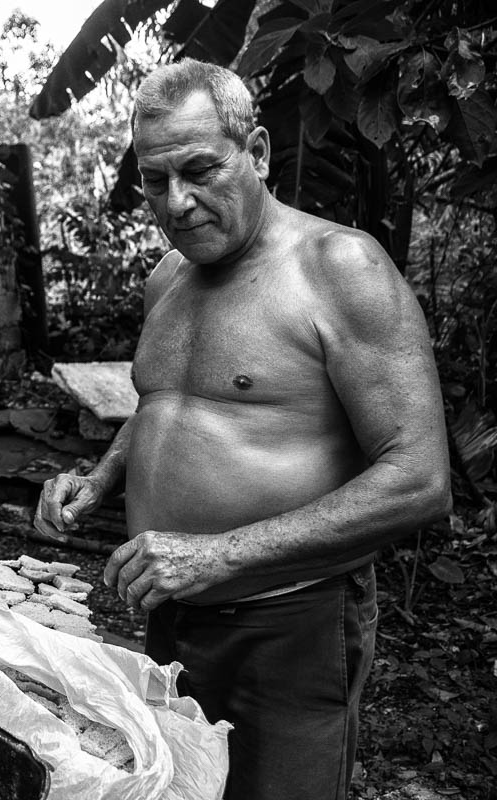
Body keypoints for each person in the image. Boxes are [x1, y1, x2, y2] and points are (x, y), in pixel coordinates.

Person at [34, 59, 451, 800]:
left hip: (288, 624)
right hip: (169, 618)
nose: (177, 202)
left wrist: (222, 554)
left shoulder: (339, 267)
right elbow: (168, 407)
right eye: (155, 180)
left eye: (199, 170)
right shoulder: (169, 276)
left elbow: (420, 479)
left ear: (257, 153)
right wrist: (101, 479)